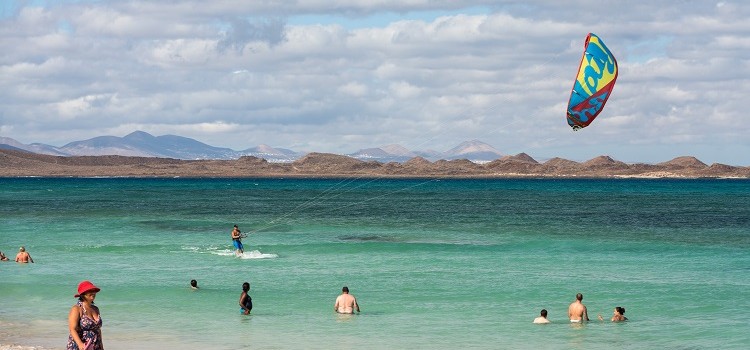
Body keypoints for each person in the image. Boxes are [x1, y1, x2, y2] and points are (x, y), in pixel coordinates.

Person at [67, 280, 103, 350]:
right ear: (83, 294)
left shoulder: (96, 309)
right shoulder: (77, 309)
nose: (93, 293)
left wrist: (101, 346)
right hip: (81, 345)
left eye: (94, 291)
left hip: (96, 345)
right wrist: (80, 344)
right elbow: (72, 329)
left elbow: (98, 330)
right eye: (90, 291)